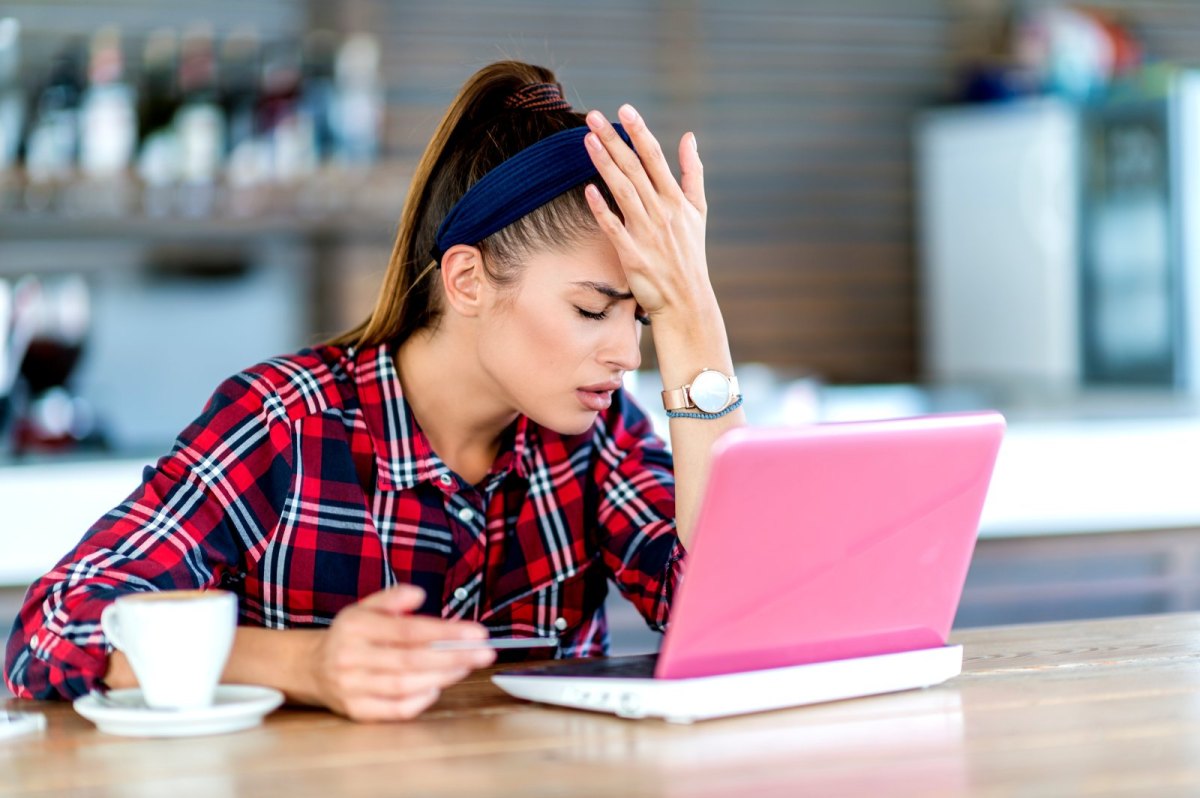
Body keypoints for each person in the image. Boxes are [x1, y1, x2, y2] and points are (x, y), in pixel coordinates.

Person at [4, 60, 745, 721]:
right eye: (591, 309)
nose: (627, 355)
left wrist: (695, 315)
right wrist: (306, 666)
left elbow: (736, 618)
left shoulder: (601, 438)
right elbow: (51, 631)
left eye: (643, 316)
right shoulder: (285, 424)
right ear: (467, 281)